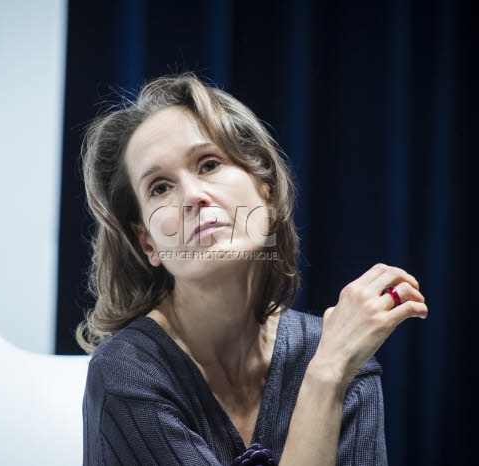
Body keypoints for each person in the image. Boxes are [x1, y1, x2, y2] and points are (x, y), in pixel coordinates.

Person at [77, 73, 428, 465]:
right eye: (160, 187)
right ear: (148, 244)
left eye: (209, 164)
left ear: (268, 191)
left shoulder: (346, 355)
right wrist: (326, 375)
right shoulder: (127, 376)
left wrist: (335, 362)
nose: (193, 196)